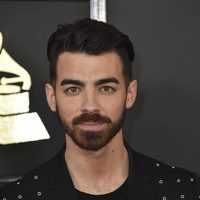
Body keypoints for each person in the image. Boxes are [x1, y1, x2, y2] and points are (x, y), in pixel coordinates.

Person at [0, 18, 200, 200]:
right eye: (73, 89)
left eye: (106, 89)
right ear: (52, 97)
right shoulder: (17, 196)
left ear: (130, 94)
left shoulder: (184, 192)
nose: (90, 106)